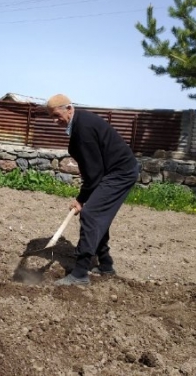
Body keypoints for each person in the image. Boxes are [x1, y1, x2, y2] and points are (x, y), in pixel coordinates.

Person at [45, 94, 139, 286]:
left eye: (57, 115)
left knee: (91, 215)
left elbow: (94, 174)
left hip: (120, 173)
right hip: (112, 172)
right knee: (97, 215)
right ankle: (105, 265)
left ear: (69, 108)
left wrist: (81, 199)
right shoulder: (80, 123)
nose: (55, 122)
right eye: (52, 118)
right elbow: (93, 169)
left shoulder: (84, 128)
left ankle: (80, 273)